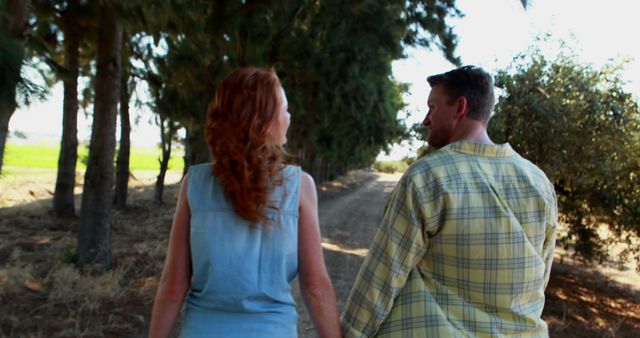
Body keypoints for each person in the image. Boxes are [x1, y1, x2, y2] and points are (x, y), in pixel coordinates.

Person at [341, 65, 558, 337]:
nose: (425, 120)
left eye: (432, 107)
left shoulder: (427, 178)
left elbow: (382, 278)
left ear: (460, 108)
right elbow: (539, 281)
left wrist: (350, 333)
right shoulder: (539, 182)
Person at [149, 67, 341, 338]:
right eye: (284, 109)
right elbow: (315, 286)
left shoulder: (195, 184)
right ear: (263, 121)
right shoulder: (300, 187)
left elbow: (173, 285)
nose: (289, 116)